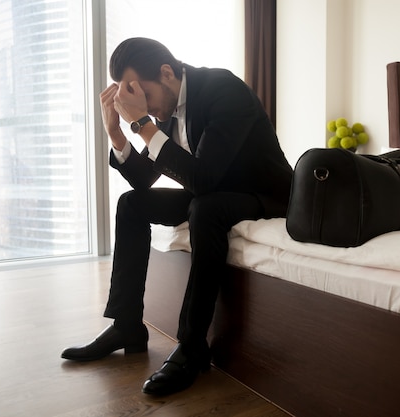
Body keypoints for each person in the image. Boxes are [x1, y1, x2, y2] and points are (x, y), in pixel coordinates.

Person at [61, 38, 293, 396]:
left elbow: (202, 180)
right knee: (131, 204)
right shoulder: (166, 111)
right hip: (215, 189)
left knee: (205, 208)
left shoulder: (223, 89)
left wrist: (141, 122)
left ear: (167, 73)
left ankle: (192, 344)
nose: (149, 110)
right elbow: (143, 181)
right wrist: (116, 131)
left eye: (147, 97)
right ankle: (127, 326)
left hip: (262, 193)